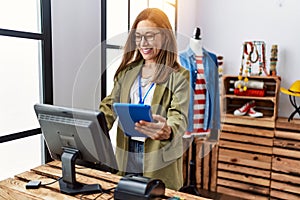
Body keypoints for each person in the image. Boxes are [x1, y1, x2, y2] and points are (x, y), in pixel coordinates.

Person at [99, 8, 190, 190]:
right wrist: (92, 127)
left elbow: (179, 115)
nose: (143, 43)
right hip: (127, 152)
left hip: (158, 156)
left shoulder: (180, 75)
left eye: (150, 36)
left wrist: (169, 129)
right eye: (138, 36)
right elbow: (109, 106)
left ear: (164, 37)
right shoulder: (127, 72)